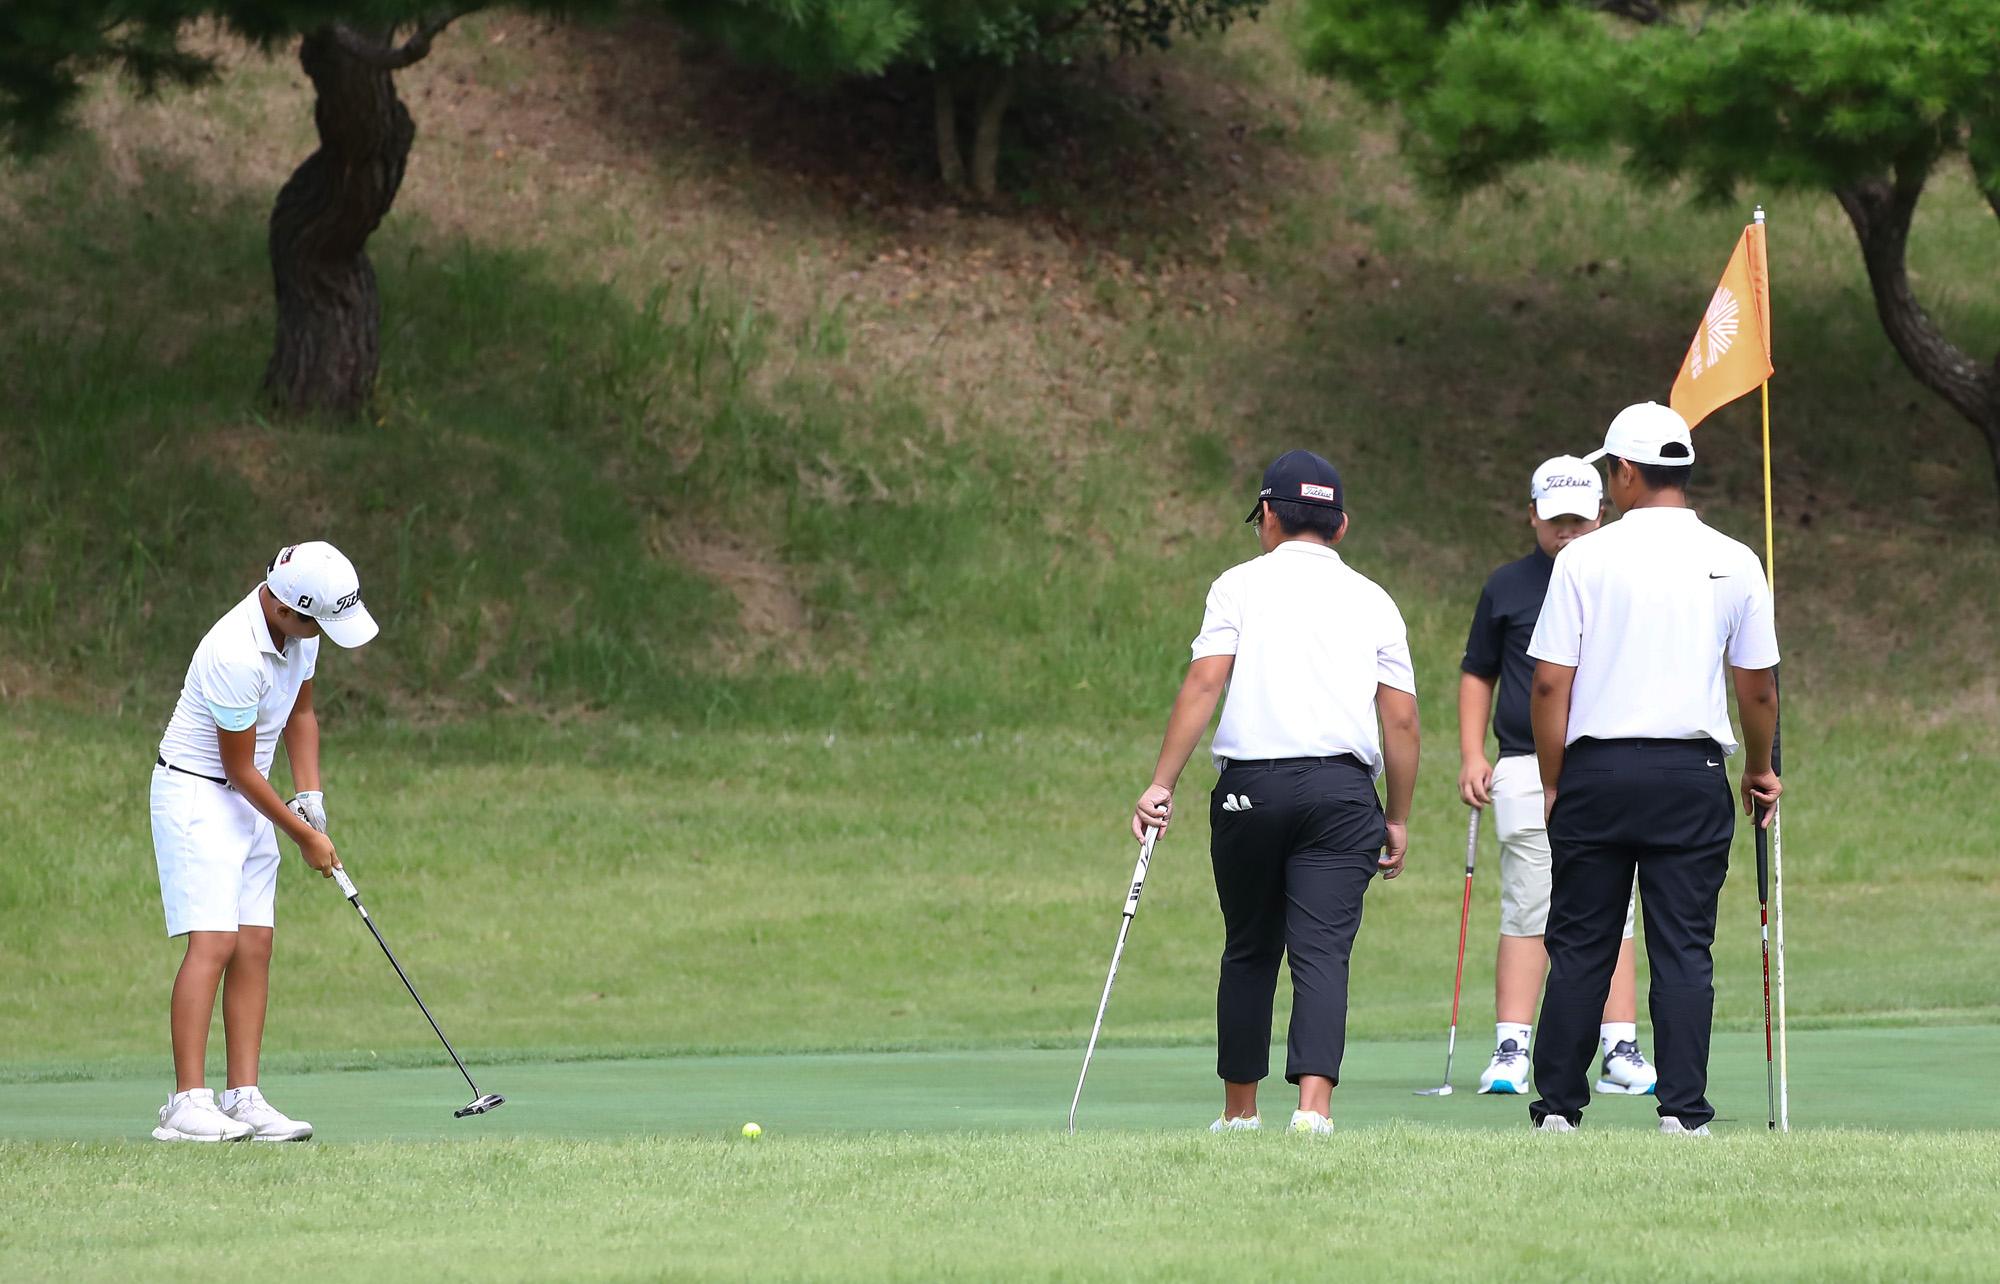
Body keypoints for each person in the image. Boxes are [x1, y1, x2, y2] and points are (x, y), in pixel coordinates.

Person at [1132, 450, 1421, 1136]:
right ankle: (1313, 1111)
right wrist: (1399, 816)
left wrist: (1160, 784)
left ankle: (1239, 1113)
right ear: (1341, 527)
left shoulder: (1237, 585)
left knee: (1250, 946)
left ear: (1266, 515)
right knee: (1321, 950)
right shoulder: (1374, 599)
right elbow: (1402, 719)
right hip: (1342, 793)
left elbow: (1204, 684)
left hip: (1250, 791)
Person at [1524, 403, 1781, 1135]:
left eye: (1611, 471)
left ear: (1627, 472)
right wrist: (1759, 769)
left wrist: (1552, 779)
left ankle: (1559, 1113)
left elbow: (1548, 684)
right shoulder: (1735, 558)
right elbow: (1757, 687)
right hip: (1691, 775)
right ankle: (1683, 1113)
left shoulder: (1582, 558)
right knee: (1682, 947)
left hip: (1596, 775)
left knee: (1580, 945)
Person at [149, 542, 379, 1142]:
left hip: (250, 798)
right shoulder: (233, 652)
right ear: (283, 606)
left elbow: (302, 714)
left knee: (255, 943)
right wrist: (304, 836)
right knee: (215, 942)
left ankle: (243, 1097)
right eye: (316, 621)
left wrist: (312, 795)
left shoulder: (303, 632)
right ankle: (185, 1104)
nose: (320, 632)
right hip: (199, 795)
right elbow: (240, 769)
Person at [1458, 456, 1656, 1097]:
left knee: (1616, 909)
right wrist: (1471, 752)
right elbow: (1478, 672)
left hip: (1605, 763)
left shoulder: (1624, 579)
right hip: (1521, 762)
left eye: (1579, 520)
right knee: (1529, 903)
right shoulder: (1509, 586)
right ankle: (1512, 1045)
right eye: (1555, 522)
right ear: (1533, 519)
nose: (1567, 533)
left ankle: (1619, 1045)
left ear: (1603, 515)